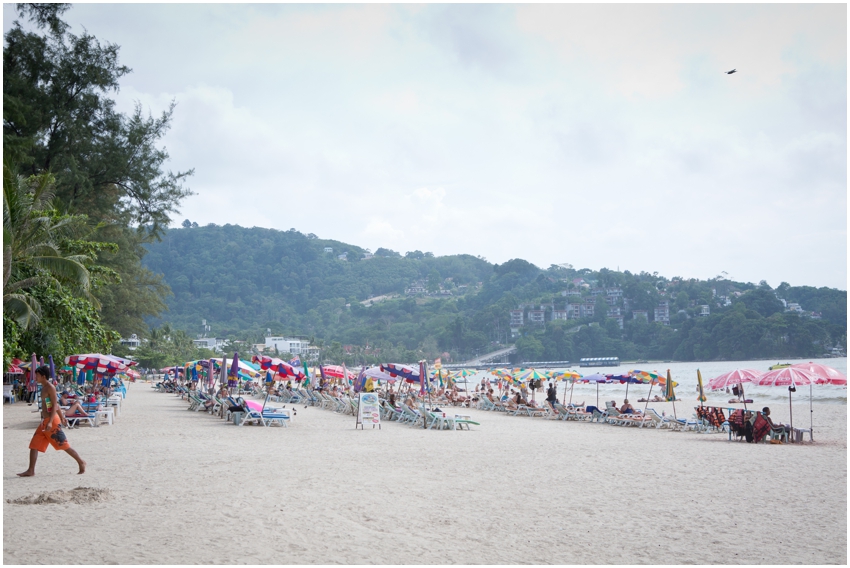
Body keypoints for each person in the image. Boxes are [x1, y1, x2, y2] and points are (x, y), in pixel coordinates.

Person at [18, 366, 86, 477]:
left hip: (51, 421)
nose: (35, 377)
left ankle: (81, 461)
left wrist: (51, 421)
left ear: (43, 376)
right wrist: (61, 417)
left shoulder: (50, 387)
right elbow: (53, 405)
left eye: (37, 375)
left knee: (63, 444)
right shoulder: (44, 388)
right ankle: (31, 470)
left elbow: (55, 405)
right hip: (45, 421)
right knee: (34, 444)